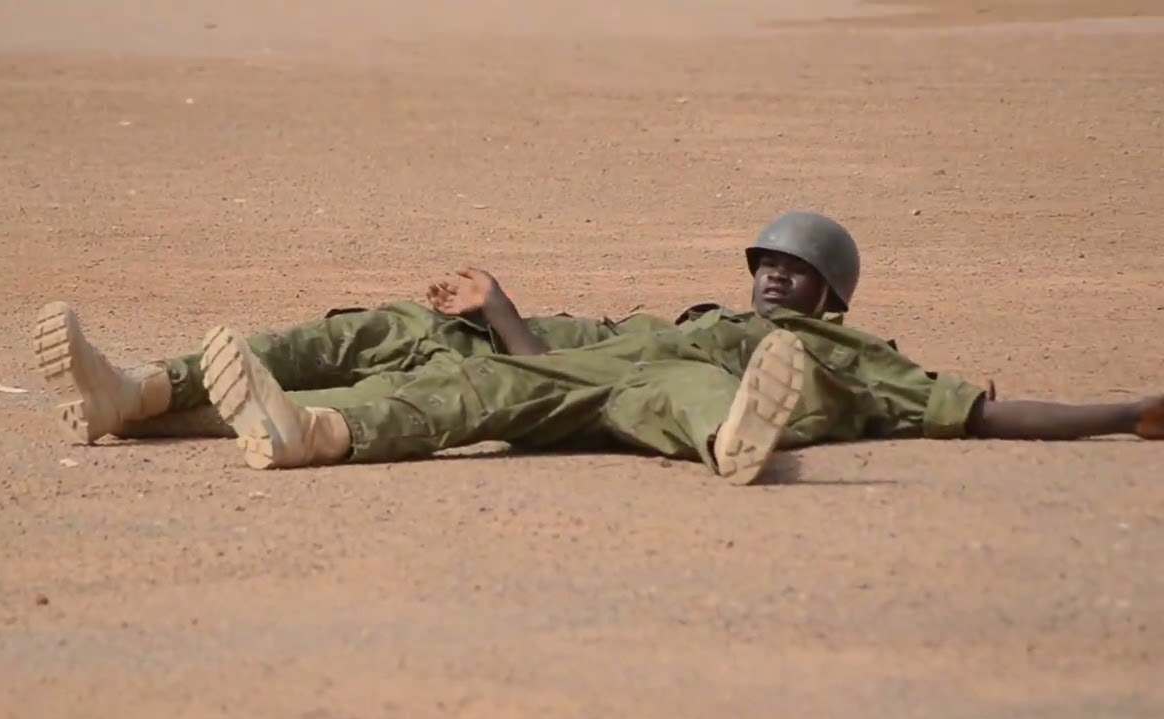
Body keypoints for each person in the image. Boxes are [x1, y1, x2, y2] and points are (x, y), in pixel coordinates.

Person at [193, 211, 1163, 484]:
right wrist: (499, 306)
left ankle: (737, 434)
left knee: (684, 384)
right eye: (766, 265)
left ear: (830, 297)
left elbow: (984, 414)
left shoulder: (869, 359)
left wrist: (1128, 410)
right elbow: (545, 367)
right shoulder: (697, 325)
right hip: (623, 386)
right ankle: (192, 403)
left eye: (796, 272)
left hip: (690, 397)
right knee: (483, 376)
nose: (774, 277)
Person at [33, 283, 701, 444]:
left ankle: (128, 408)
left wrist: (500, 309)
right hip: (457, 335)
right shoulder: (655, 330)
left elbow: (554, 378)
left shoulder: (664, 356)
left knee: (333, 396)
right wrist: (475, 306)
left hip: (496, 368)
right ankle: (139, 386)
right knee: (332, 340)